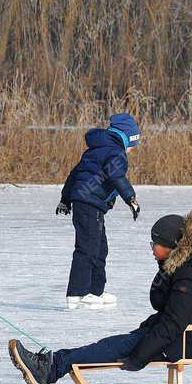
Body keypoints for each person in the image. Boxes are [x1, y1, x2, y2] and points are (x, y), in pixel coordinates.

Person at [9, 211, 192, 384]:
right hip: (187, 335)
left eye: (155, 244)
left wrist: (139, 358)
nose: (152, 249)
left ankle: (49, 369)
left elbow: (172, 323)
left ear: (171, 246)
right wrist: (166, 268)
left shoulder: (191, 276)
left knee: (117, 346)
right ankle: (52, 365)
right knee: (116, 343)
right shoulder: (184, 268)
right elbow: (160, 302)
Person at [56, 113, 143, 310]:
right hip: (89, 203)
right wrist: (131, 198)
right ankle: (78, 293)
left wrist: (65, 199)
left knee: (99, 248)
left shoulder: (95, 150)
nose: (131, 150)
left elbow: (74, 174)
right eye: (132, 144)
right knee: (88, 248)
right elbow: (116, 175)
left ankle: (95, 291)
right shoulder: (115, 153)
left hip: (86, 202)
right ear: (125, 137)